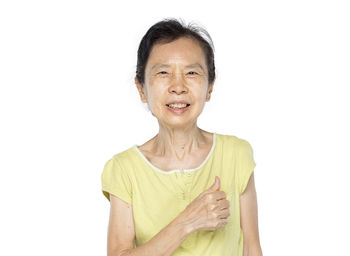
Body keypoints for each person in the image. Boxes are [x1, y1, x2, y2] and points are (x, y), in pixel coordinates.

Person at [101, 18, 263, 256]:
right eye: (163, 72)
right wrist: (188, 221)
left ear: (209, 88)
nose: (178, 86)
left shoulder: (236, 154)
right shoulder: (124, 169)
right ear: (141, 88)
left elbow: (252, 248)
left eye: (191, 72)